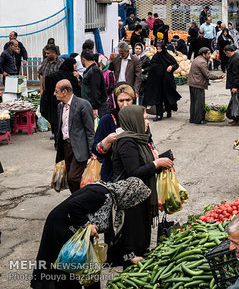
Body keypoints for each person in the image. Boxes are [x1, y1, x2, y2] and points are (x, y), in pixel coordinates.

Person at [31, 177, 151, 289]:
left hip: (79, 232)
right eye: (135, 199)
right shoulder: (101, 194)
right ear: (129, 194)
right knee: (67, 267)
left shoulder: (117, 206)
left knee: (90, 271)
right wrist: (87, 225)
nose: (134, 203)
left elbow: (120, 234)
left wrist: (131, 257)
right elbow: (74, 205)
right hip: (61, 227)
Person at [110, 105, 174, 266]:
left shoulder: (139, 138)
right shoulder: (126, 142)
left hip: (141, 196)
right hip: (130, 201)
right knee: (134, 240)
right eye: (144, 118)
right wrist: (156, 164)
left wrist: (160, 163)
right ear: (134, 120)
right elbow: (134, 172)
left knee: (142, 239)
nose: (147, 122)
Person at [54, 79, 95, 193]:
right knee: (69, 178)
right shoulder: (60, 106)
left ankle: (80, 200)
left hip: (80, 147)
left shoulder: (83, 105)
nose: (54, 93)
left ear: (65, 92)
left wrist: (93, 151)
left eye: (56, 91)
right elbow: (60, 127)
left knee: (74, 177)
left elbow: (90, 130)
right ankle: (76, 200)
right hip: (65, 147)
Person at [92, 83, 137, 181]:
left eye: (128, 100)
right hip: (114, 173)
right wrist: (107, 141)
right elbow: (95, 149)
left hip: (138, 171)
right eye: (121, 101)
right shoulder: (108, 119)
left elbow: (148, 139)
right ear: (116, 101)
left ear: (133, 100)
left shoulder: (139, 117)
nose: (125, 104)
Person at [41, 58, 80, 140]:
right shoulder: (71, 77)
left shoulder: (53, 75)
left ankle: (57, 142)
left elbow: (46, 90)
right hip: (66, 104)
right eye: (74, 64)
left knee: (56, 124)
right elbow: (76, 92)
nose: (76, 66)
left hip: (53, 104)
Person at [143, 43, 181, 121]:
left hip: (167, 81)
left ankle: (169, 110)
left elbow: (175, 64)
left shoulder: (168, 56)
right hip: (157, 81)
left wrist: (171, 67)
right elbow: (151, 67)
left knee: (167, 96)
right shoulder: (155, 57)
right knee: (158, 98)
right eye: (157, 48)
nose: (158, 49)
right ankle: (159, 114)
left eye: (160, 48)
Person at [188, 47, 225, 124]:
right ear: (203, 54)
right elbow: (208, 75)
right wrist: (218, 77)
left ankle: (193, 118)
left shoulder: (197, 59)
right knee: (199, 103)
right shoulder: (202, 62)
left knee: (194, 102)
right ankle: (198, 120)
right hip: (198, 84)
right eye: (208, 54)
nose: (210, 55)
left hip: (192, 83)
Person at [81, 51, 109, 118]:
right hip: (92, 105)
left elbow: (95, 89)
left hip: (98, 107)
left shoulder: (94, 71)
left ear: (83, 59)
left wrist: (94, 107)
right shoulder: (90, 70)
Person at [224, 45, 239, 126]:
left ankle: (238, 119)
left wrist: (235, 86)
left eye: (226, 53)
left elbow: (236, 74)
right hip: (235, 84)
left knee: (236, 102)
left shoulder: (235, 59)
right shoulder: (235, 57)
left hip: (235, 84)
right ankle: (236, 118)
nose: (226, 55)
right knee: (235, 101)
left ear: (228, 52)